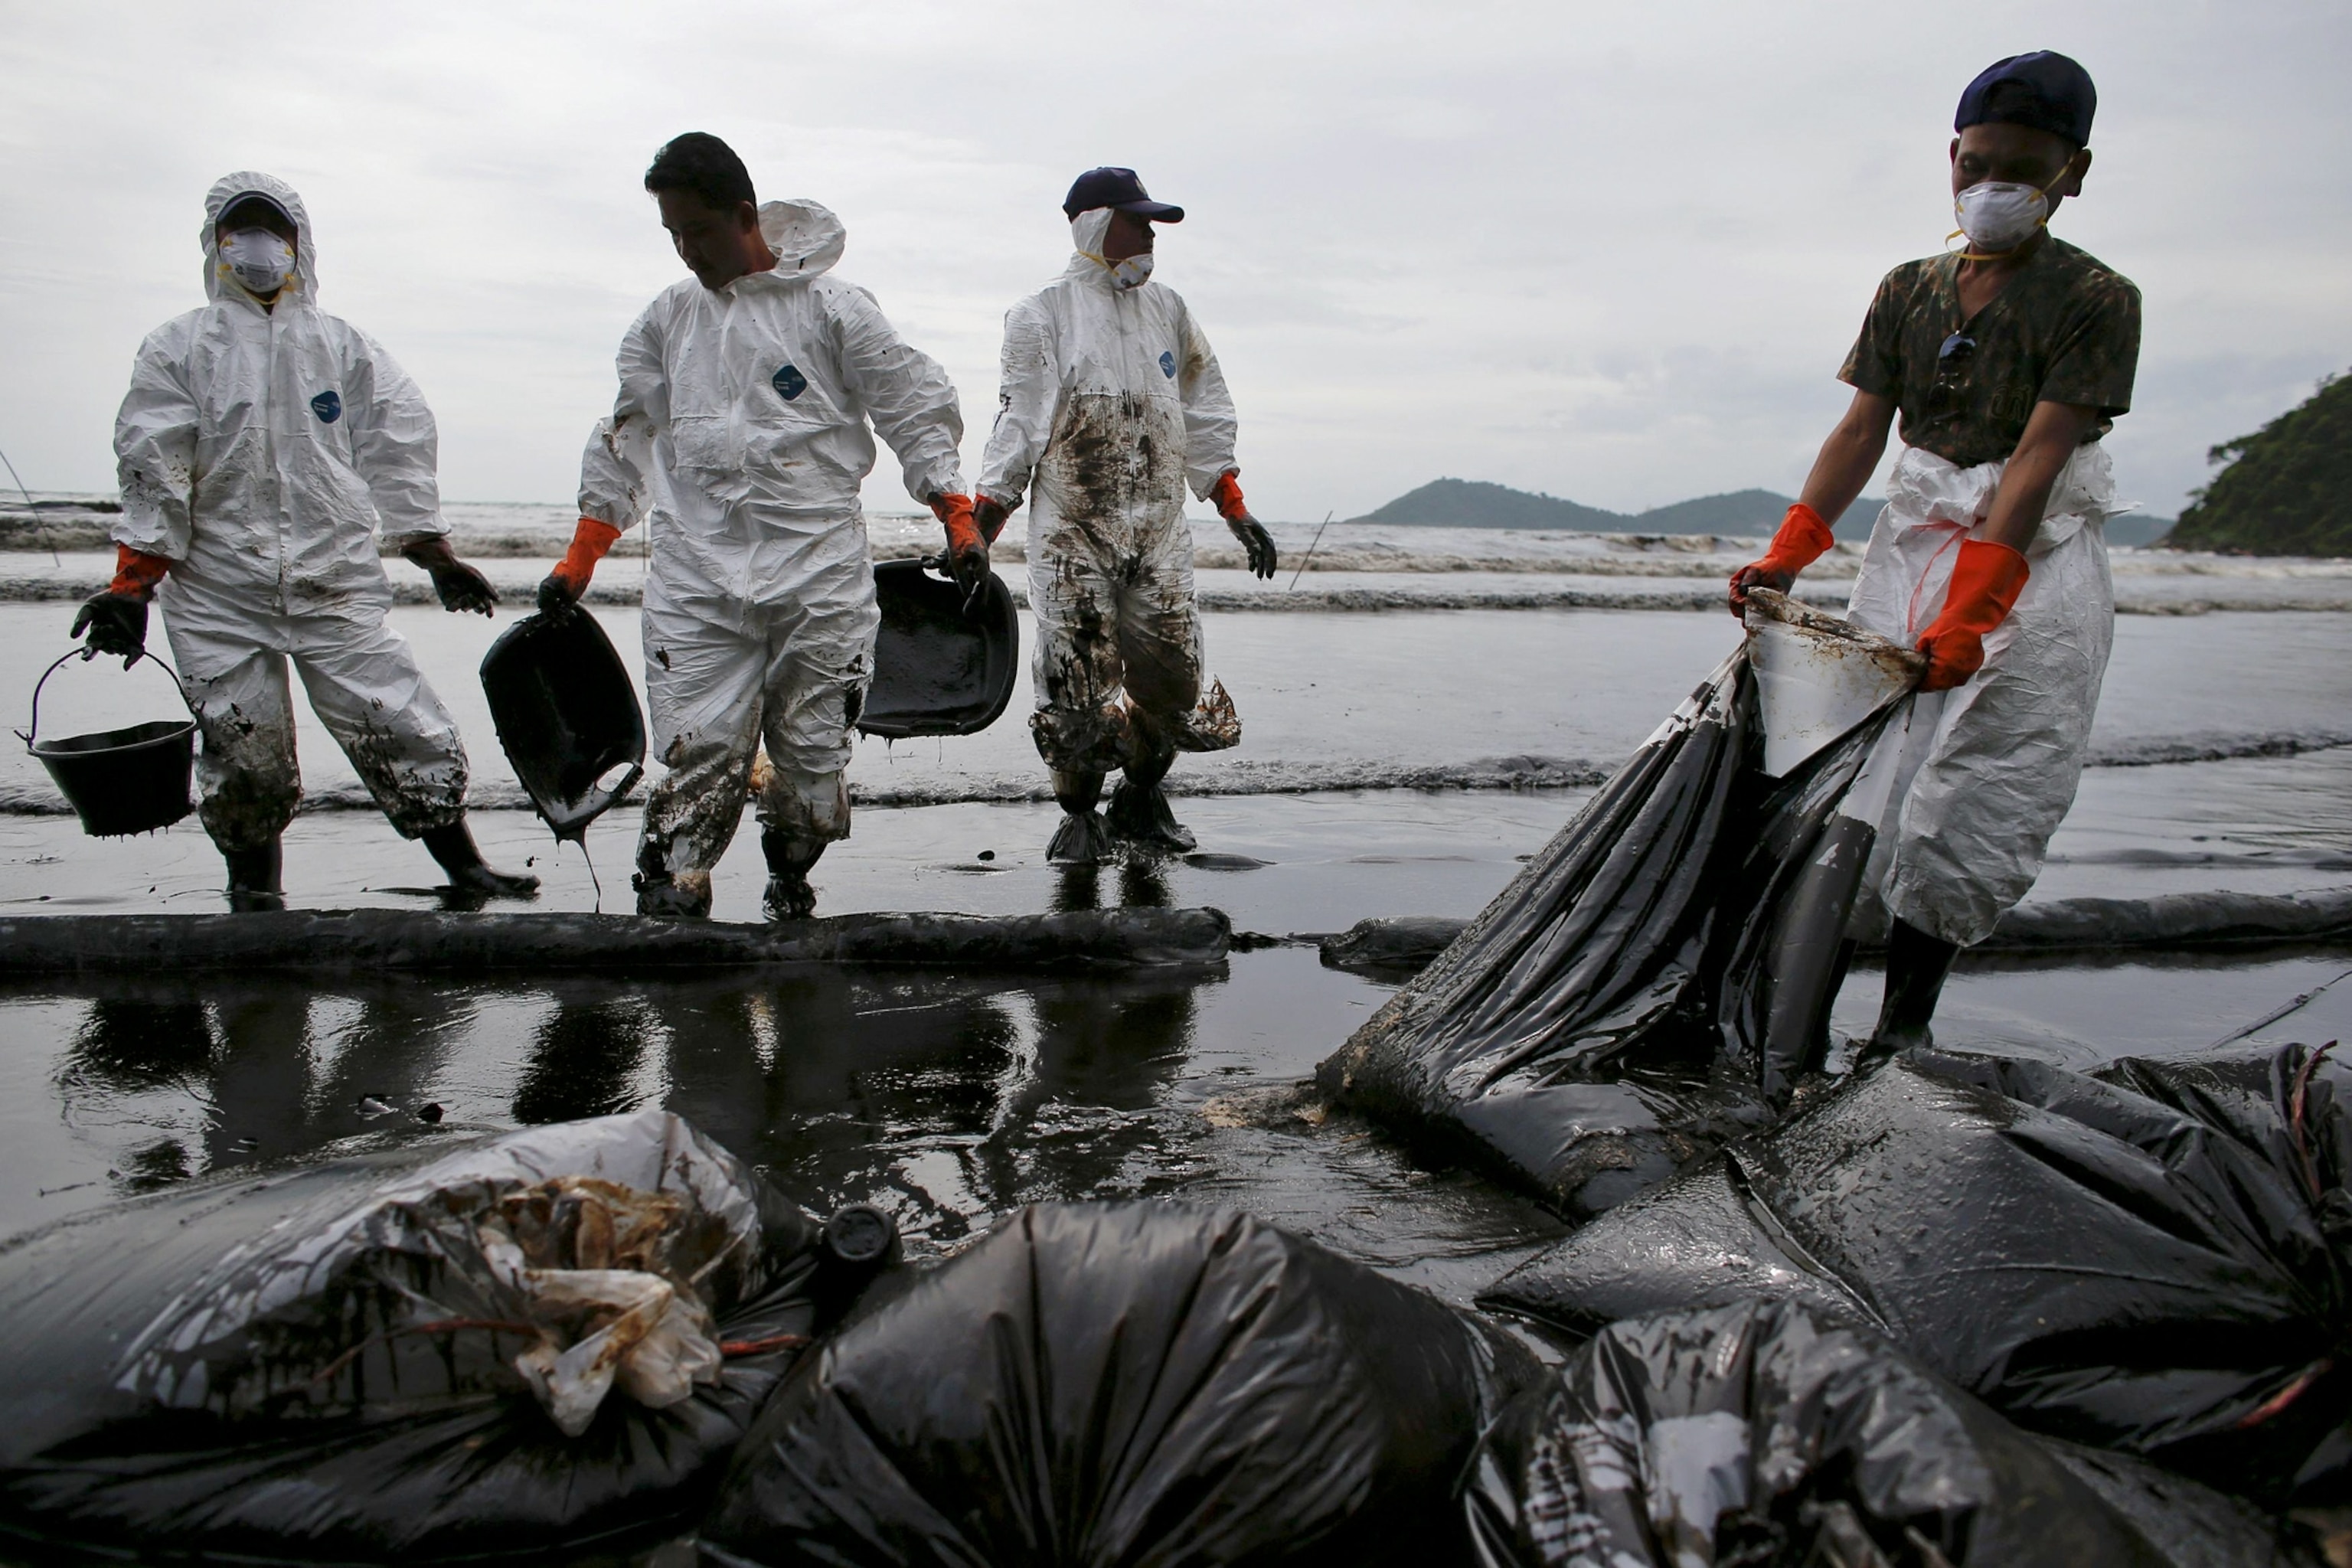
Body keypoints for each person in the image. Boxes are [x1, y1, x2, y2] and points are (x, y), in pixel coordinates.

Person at [1728, 51, 2140, 1050]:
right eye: (1978, 163)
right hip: (1910, 553)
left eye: (2023, 170)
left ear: (2071, 174)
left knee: (1977, 789)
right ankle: (1802, 1029)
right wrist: (1791, 551)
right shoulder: (1907, 290)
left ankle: (1902, 1031)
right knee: (1863, 781)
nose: (1993, 187)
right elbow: (1863, 432)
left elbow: (2039, 457)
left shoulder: (2095, 296)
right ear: (1952, 156)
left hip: (2031, 564)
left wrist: (1979, 609)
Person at [543, 133, 970, 920]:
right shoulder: (667, 321)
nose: (686, 251)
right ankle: (672, 887)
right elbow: (628, 434)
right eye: (672, 235)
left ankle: (791, 872)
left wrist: (956, 513)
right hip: (697, 577)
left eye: (697, 232)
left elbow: (911, 405)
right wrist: (582, 556)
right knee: (700, 748)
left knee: (811, 764)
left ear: (744, 216)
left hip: (818, 577)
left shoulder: (834, 310)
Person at [88, 172, 537, 912]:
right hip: (218, 593)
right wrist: (130, 587)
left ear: (301, 244)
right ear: (215, 243)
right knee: (243, 753)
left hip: (334, 580)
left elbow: (399, 444)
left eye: (273, 228)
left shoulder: (343, 347)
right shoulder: (178, 348)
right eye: (242, 228)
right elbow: (154, 468)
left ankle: (466, 868)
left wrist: (435, 556)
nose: (258, 245)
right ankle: (254, 895)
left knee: (400, 725)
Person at [976, 167, 1277, 864]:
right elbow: (1019, 420)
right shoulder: (1041, 313)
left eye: (1152, 222)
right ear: (1093, 223)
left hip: (1158, 531)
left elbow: (1204, 404)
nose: (1149, 233)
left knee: (1173, 679)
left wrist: (1232, 503)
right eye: (1138, 220)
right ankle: (1080, 817)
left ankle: (1141, 798)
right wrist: (981, 520)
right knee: (1075, 683)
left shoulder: (1168, 309)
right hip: (1072, 535)